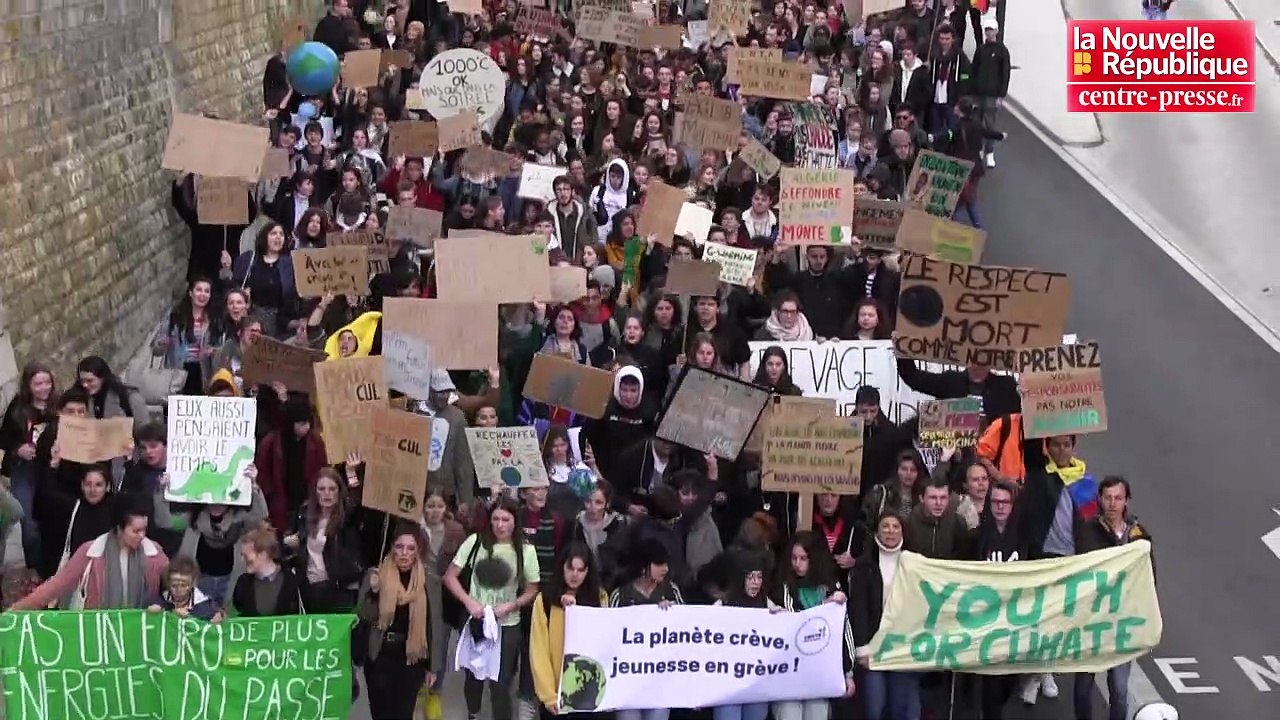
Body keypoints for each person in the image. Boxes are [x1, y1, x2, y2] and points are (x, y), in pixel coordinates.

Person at [443, 497, 540, 720]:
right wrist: (469, 602)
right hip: (476, 621)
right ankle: (474, 714)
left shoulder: (526, 550)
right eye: (495, 519)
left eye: (505, 519)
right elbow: (450, 577)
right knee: (474, 678)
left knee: (501, 684)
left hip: (507, 625)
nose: (500, 525)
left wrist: (512, 605)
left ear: (515, 521)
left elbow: (532, 589)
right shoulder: (476, 542)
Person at [1074, 476, 1154, 720]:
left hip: (1122, 623)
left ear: (1126, 500)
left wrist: (1148, 615)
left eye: (1118, 498)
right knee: (1084, 686)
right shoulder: (1087, 531)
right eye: (1107, 497)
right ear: (1099, 499)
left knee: (1119, 689)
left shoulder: (1140, 536)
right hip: (1092, 621)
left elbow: (1149, 578)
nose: (1112, 503)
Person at [13, 495, 168, 611]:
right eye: (136, 531)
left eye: (144, 530)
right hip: (97, 633)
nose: (142, 536)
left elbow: (176, 582)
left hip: (138, 634)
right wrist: (14, 612)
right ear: (119, 528)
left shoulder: (153, 552)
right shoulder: (91, 551)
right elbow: (56, 586)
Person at [357, 522, 435, 720]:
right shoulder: (376, 575)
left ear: (418, 550)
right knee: (381, 714)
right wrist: (374, 594)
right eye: (399, 547)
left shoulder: (428, 580)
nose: (404, 553)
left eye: (410, 548)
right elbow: (363, 615)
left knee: (403, 714)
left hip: (410, 659)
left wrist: (432, 666)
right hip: (380, 656)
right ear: (391, 547)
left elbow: (434, 625)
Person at [530, 542, 610, 718]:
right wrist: (548, 695)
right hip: (557, 696)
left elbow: (602, 641)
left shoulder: (600, 597)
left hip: (589, 694)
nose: (575, 575)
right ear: (562, 567)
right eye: (570, 568)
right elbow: (539, 651)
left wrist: (577, 608)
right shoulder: (544, 601)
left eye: (581, 570)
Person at [231, 526, 304, 616]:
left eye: (246, 555)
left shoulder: (293, 580)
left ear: (263, 554)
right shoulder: (243, 583)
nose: (242, 560)